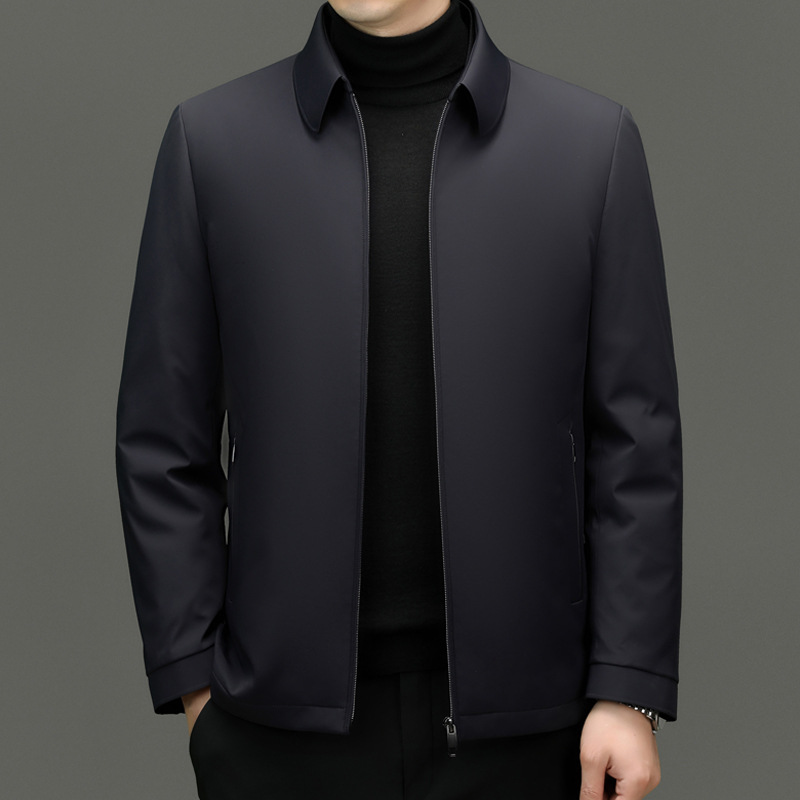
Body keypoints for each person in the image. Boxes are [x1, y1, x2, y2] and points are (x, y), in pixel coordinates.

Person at [115, 1, 682, 798]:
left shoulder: (591, 145)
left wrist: (627, 688)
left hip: (529, 732)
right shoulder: (212, 142)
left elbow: (637, 442)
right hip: (276, 733)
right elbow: (161, 437)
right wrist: (197, 690)